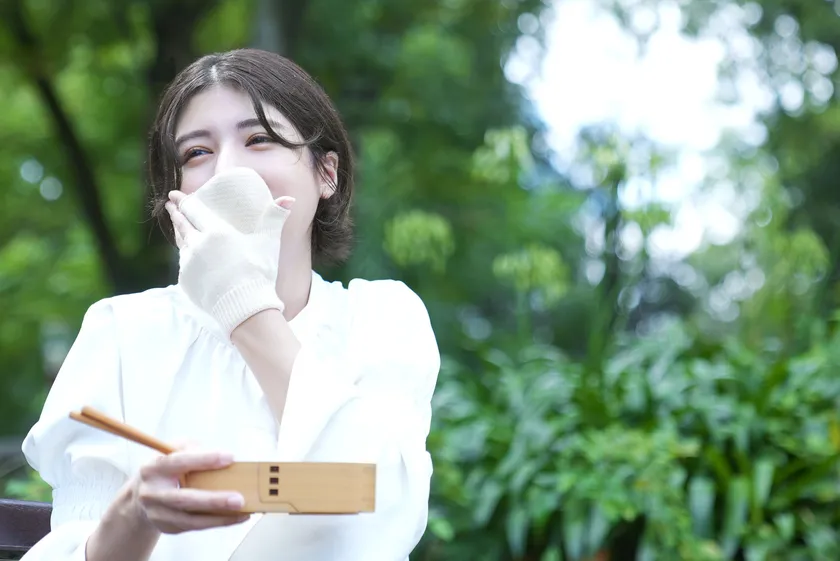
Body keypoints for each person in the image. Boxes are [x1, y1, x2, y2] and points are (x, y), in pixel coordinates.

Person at [19, 48, 440, 561]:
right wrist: (136, 512)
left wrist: (241, 302)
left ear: (326, 173)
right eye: (197, 152)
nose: (226, 170)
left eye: (259, 139)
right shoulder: (122, 332)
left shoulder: (382, 320)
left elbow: (380, 511)